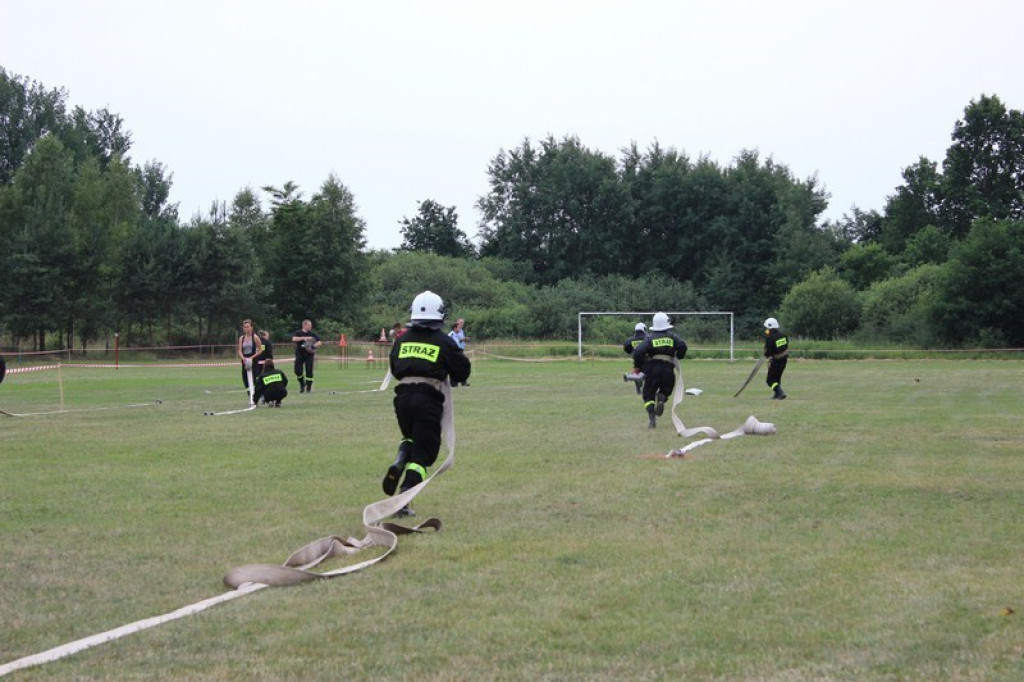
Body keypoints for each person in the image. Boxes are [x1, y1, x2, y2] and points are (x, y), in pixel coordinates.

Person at [382, 290, 471, 517]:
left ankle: (402, 455)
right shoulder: (444, 341)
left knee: (412, 438)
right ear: (439, 314)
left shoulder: (401, 340)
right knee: (424, 455)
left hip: (402, 399)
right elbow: (462, 372)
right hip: (427, 400)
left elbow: (394, 367)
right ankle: (403, 499)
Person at [631, 312, 688, 429]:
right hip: (668, 369)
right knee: (665, 390)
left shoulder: (649, 338)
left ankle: (652, 420)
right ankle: (661, 397)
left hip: (652, 369)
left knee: (648, 395)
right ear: (667, 324)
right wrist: (679, 356)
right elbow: (683, 346)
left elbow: (637, 352)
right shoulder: (672, 337)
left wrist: (638, 365)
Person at [291, 319, 322, 393]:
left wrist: (313, 347)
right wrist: (305, 338)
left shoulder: (312, 333)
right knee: (297, 370)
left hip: (309, 355)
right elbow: (294, 339)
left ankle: (309, 386)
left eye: (311, 325)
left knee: (309, 371)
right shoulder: (298, 333)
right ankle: (302, 383)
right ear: (304, 325)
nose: (311, 326)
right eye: (309, 325)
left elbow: (320, 342)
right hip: (299, 354)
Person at [763, 317, 789, 400]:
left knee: (770, 380)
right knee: (777, 378)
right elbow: (785, 347)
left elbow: (768, 352)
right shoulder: (783, 336)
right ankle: (776, 394)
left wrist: (766, 353)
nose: (766, 330)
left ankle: (780, 393)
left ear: (769, 327)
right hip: (784, 359)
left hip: (776, 360)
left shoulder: (770, 337)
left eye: (767, 328)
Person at [236, 319, 266, 392]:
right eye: (245, 327)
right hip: (244, 361)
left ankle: (256, 396)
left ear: (251, 327)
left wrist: (251, 358)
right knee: (245, 380)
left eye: (248, 326)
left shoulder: (255, 337)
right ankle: (250, 397)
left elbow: (260, 349)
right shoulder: (241, 338)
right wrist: (243, 358)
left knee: (253, 380)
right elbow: (239, 350)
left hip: (253, 360)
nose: (246, 328)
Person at [622, 322, 648, 394]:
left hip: (636, 360)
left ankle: (636, 383)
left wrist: (632, 351)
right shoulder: (647, 338)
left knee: (637, 371)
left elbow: (626, 348)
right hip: (647, 359)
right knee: (647, 374)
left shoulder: (630, 340)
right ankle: (629, 376)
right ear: (644, 329)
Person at [448, 318, 470, 386]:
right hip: (454, 353)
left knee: (462, 366)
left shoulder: (459, 332)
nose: (459, 328)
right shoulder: (450, 334)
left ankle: (463, 382)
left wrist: (464, 339)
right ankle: (454, 383)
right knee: (453, 368)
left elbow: (459, 341)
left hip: (460, 351)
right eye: (458, 327)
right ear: (454, 328)